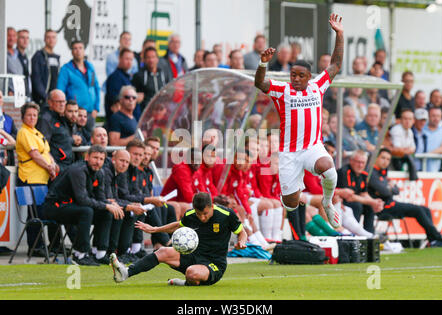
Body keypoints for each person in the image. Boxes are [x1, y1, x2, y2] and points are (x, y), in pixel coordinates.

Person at [255, 13, 344, 229]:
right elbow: (259, 83)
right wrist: (262, 64)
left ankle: (327, 201)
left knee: (328, 167)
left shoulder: (318, 86)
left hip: (312, 147)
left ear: (308, 77)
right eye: (293, 74)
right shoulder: (282, 90)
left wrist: (339, 34)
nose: (295, 78)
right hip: (289, 153)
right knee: (291, 204)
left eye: (300, 76)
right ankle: (298, 189)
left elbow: (336, 63)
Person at [110, 192, 247, 286]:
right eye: (199, 214)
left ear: (212, 206)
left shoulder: (226, 214)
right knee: (163, 251)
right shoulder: (191, 214)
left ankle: (185, 282)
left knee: (191, 273)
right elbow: (177, 225)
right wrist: (155, 229)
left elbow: (242, 232)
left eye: (205, 213)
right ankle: (126, 272)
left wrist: (242, 241)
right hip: (193, 255)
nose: (202, 218)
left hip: (214, 263)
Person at [43, 145, 124, 265]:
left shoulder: (100, 172)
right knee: (87, 211)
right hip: (54, 206)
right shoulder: (78, 170)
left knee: (106, 212)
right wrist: (107, 205)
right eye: (95, 157)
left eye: (101, 159)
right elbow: (82, 199)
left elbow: (100, 198)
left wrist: (111, 204)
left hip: (72, 207)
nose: (98, 162)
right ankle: (79, 254)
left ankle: (100, 253)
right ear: (87, 157)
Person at [369, 148, 442, 247]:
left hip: (391, 203)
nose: (385, 161)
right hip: (382, 207)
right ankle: (438, 237)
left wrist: (389, 188)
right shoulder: (372, 173)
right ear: (376, 158)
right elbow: (385, 191)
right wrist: (388, 187)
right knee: (418, 210)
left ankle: (433, 240)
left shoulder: (383, 171)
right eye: (383, 158)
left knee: (425, 209)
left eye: (388, 159)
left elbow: (396, 190)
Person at [16, 102, 58, 257]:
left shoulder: (36, 132)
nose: (32, 117)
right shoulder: (24, 132)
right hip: (30, 178)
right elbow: (35, 154)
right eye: (29, 115)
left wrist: (53, 165)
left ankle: (42, 245)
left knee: (41, 213)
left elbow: (46, 152)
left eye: (34, 115)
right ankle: (34, 246)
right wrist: (49, 167)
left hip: (41, 180)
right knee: (35, 215)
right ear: (22, 117)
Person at [57, 40, 101, 133]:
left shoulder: (90, 67)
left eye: (80, 48)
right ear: (72, 52)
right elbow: (60, 91)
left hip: (89, 113)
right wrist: (63, 108)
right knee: (76, 139)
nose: (78, 51)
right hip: (75, 113)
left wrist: (96, 108)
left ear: (84, 50)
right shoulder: (66, 69)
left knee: (90, 141)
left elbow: (96, 87)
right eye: (75, 48)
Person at [336, 150, 384, 234]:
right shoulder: (344, 172)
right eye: (358, 162)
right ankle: (355, 235)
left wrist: (375, 202)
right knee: (357, 205)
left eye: (363, 163)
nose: (360, 165)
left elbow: (364, 194)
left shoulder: (363, 174)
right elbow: (349, 197)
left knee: (369, 207)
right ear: (351, 161)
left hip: (352, 202)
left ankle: (369, 236)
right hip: (340, 203)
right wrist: (372, 202)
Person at [36, 89, 74, 172]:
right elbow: (42, 146)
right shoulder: (46, 119)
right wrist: (54, 165)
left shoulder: (61, 118)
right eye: (58, 102)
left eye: (64, 101)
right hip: (56, 167)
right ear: (50, 102)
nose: (62, 104)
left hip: (66, 165)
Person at [132, 47, 172, 113]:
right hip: (145, 114)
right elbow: (134, 95)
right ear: (144, 60)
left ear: (157, 59)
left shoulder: (163, 74)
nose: (151, 60)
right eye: (148, 57)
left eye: (153, 57)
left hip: (161, 112)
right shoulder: (139, 75)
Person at [105, 48, 136, 123]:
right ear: (119, 59)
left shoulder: (127, 77)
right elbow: (115, 102)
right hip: (120, 122)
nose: (129, 62)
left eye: (131, 59)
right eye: (127, 59)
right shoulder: (115, 77)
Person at [31, 29, 60, 106]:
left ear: (56, 40)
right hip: (43, 100)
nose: (51, 40)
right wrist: (45, 97)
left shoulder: (56, 57)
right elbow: (36, 79)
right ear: (44, 39)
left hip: (54, 99)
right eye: (48, 37)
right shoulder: (39, 56)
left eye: (53, 37)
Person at [389, 108, 418, 179]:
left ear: (413, 121)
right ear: (400, 120)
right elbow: (397, 149)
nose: (407, 121)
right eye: (405, 119)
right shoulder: (396, 129)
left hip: (402, 161)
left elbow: (413, 149)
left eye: (410, 119)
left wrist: (404, 150)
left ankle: (413, 177)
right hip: (393, 162)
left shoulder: (410, 131)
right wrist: (407, 150)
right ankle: (414, 177)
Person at [423, 107, 442, 172]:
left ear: (441, 117)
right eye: (433, 116)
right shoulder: (421, 129)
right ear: (428, 116)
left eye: (438, 116)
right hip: (420, 168)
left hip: (437, 170)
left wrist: (425, 154)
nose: (436, 118)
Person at [0, 90, 17, 165]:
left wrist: (3, 137)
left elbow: (15, 138)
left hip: (7, 161)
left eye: (0, 97)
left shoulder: (8, 119)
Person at [6, 27, 23, 94]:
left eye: (14, 36)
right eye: (9, 35)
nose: (11, 38)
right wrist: (8, 90)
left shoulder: (18, 53)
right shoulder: (2, 54)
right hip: (8, 93)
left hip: (19, 92)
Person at [16, 29, 31, 98]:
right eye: (22, 37)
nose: (25, 40)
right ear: (17, 39)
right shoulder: (14, 56)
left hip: (26, 94)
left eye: (27, 38)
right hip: (17, 93)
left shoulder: (25, 56)